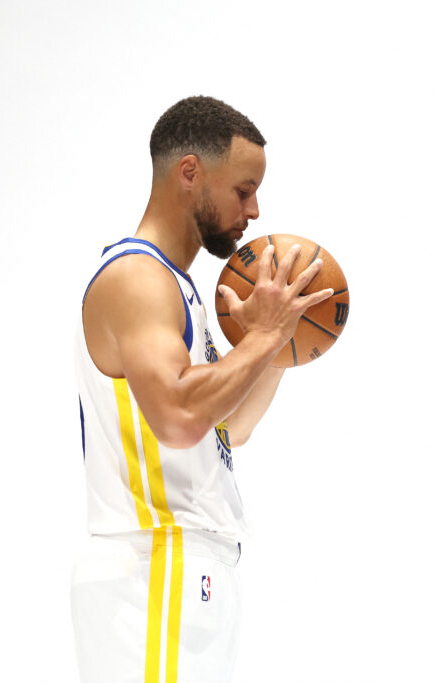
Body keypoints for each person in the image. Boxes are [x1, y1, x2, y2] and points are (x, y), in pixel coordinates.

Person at [72, 95, 332, 683]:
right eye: (243, 190)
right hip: (153, 562)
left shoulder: (176, 286)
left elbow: (225, 428)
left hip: (186, 564)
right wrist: (262, 337)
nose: (255, 210)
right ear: (190, 173)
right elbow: (178, 418)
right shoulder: (137, 278)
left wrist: (279, 347)